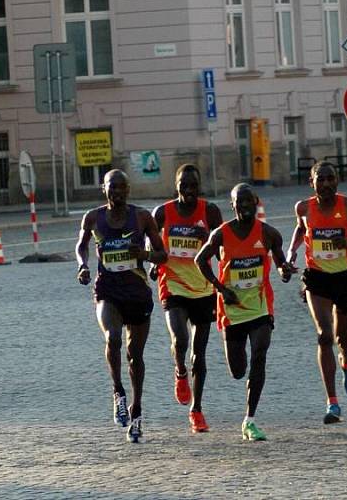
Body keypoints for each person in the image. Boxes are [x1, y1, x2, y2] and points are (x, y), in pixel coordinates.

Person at [286, 162, 347, 424]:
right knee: (324, 335)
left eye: (331, 179)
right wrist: (291, 252)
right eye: (321, 180)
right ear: (312, 183)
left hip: (345, 279)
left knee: (343, 337)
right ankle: (332, 403)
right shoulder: (304, 208)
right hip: (316, 278)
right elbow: (301, 227)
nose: (327, 184)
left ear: (337, 181)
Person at [194, 183, 295, 441]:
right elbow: (199, 260)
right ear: (233, 206)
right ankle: (245, 382)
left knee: (260, 353)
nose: (245, 206)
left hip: (260, 306)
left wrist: (284, 271)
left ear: (256, 202)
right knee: (238, 370)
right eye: (240, 202)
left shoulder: (270, 234)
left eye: (249, 201)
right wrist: (219, 288)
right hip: (232, 309)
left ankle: (249, 420)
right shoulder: (221, 234)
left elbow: (281, 263)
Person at [75, 169, 167, 443]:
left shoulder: (142, 217)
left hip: (137, 293)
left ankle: (136, 411)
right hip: (108, 290)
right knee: (112, 337)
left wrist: (146, 254)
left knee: (135, 355)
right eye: (111, 187)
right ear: (104, 190)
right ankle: (118, 392)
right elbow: (80, 246)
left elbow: (163, 255)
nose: (117, 192)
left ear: (128, 190)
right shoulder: (93, 217)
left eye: (122, 188)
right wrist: (83, 266)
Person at [151, 164, 223, 433]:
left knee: (200, 354)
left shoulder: (210, 212)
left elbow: (222, 246)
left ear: (199, 186)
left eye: (194, 185)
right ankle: (180, 371)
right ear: (176, 186)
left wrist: (224, 277)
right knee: (180, 339)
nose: (189, 190)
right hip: (173, 285)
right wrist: (152, 259)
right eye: (184, 185)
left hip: (204, 290)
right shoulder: (164, 212)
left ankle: (197, 409)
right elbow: (151, 239)